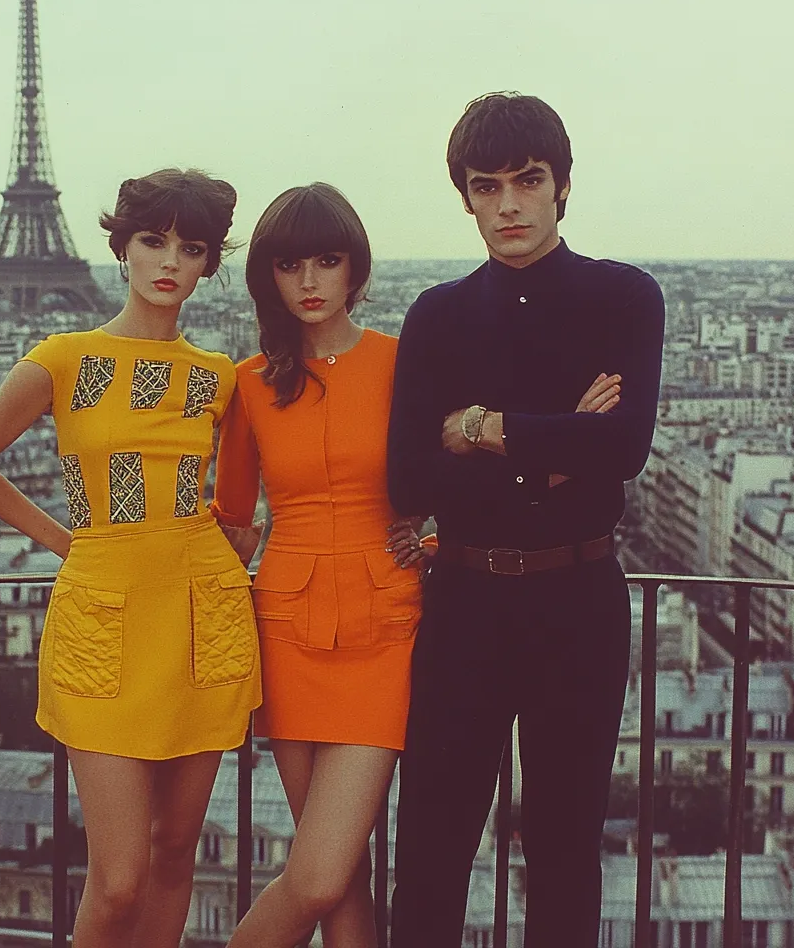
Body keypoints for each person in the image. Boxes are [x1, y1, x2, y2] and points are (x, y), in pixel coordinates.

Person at [0, 168, 262, 948]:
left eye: (190, 248)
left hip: (201, 617)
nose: (168, 261)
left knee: (175, 851)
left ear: (208, 264)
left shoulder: (218, 377)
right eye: (153, 241)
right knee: (118, 878)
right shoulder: (65, 357)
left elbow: (244, 506)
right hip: (105, 617)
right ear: (120, 249)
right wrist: (67, 542)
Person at [387, 92, 665, 947]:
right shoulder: (435, 313)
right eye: (486, 185)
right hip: (469, 600)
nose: (508, 204)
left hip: (574, 602)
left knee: (564, 846)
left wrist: (479, 429)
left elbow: (621, 447)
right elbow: (406, 477)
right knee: (432, 842)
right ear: (465, 197)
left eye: (527, 180)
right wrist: (554, 445)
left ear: (563, 187)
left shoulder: (628, 297)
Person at [212, 182, 428, 948]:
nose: (307, 282)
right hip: (286, 633)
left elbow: (459, 483)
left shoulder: (407, 365)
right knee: (340, 877)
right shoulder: (246, 385)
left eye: (326, 261)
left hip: (385, 633)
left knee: (319, 873)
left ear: (354, 268)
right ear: (266, 276)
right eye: (288, 264)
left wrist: (429, 546)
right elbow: (231, 524)